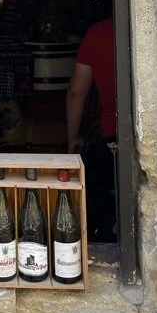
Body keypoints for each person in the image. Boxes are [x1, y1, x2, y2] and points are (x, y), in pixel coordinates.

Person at [66, 18, 117, 242]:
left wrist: (72, 138)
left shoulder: (98, 33)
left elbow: (77, 92)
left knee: (107, 205)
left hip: (110, 136)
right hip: (140, 133)